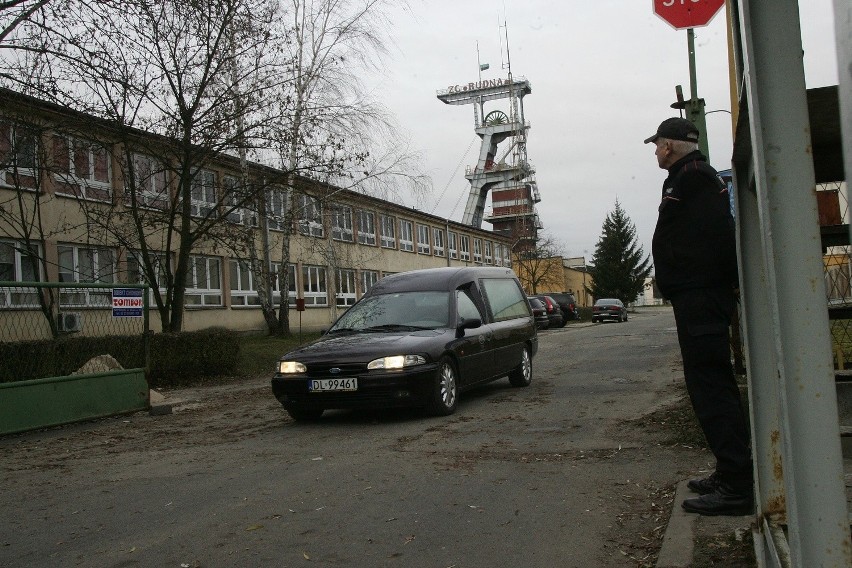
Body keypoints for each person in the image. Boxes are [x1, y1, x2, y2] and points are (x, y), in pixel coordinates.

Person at [645, 117, 754, 516]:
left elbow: (714, 238)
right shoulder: (691, 177)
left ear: (670, 146)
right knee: (709, 383)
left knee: (711, 386)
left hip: (702, 298)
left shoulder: (693, 178)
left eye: (657, 144)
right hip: (699, 296)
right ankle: (730, 471)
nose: (656, 151)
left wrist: (690, 280)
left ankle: (738, 485)